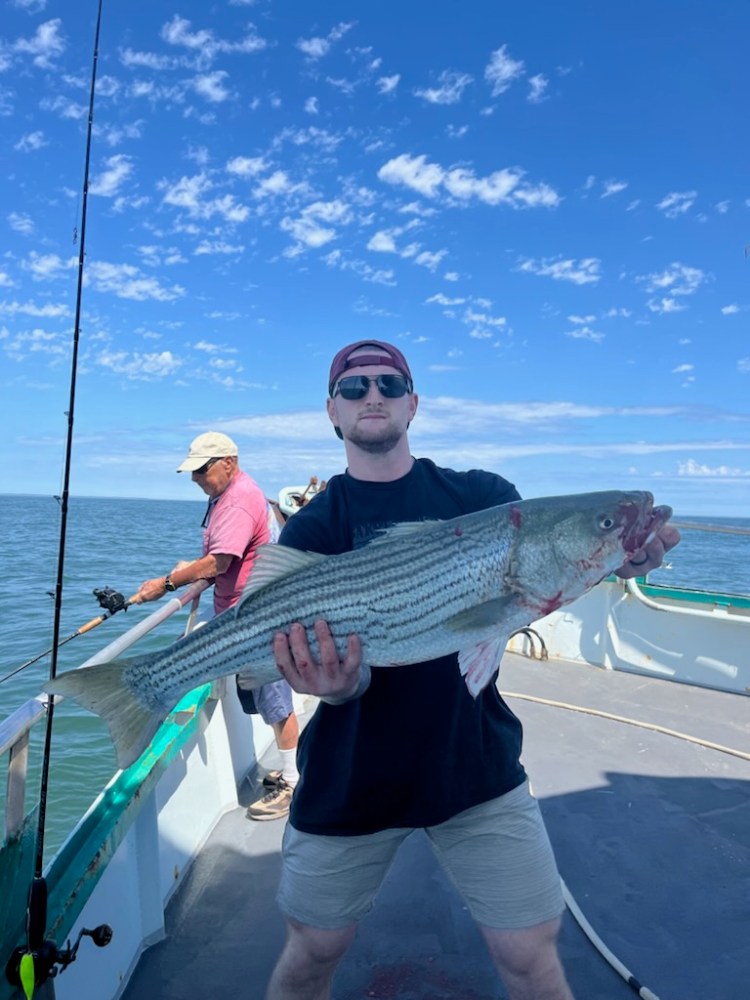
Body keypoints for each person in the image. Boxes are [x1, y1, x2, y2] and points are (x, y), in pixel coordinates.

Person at [264, 340, 681, 1000]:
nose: (372, 394)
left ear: (413, 402)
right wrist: (338, 686)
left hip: (474, 766)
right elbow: (330, 670)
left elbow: (537, 586)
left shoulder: (484, 497)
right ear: (332, 413)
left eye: (390, 382)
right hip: (350, 776)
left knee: (530, 950)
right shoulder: (314, 528)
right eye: (354, 387)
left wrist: (620, 555)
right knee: (313, 950)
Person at [135, 431, 301, 822]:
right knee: (264, 697)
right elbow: (218, 556)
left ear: (229, 462)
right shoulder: (225, 496)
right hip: (238, 617)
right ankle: (294, 769)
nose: (196, 479)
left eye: (202, 470)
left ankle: (294, 784)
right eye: (192, 472)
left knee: (275, 701)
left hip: (258, 619)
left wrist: (166, 584)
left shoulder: (240, 499)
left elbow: (219, 563)